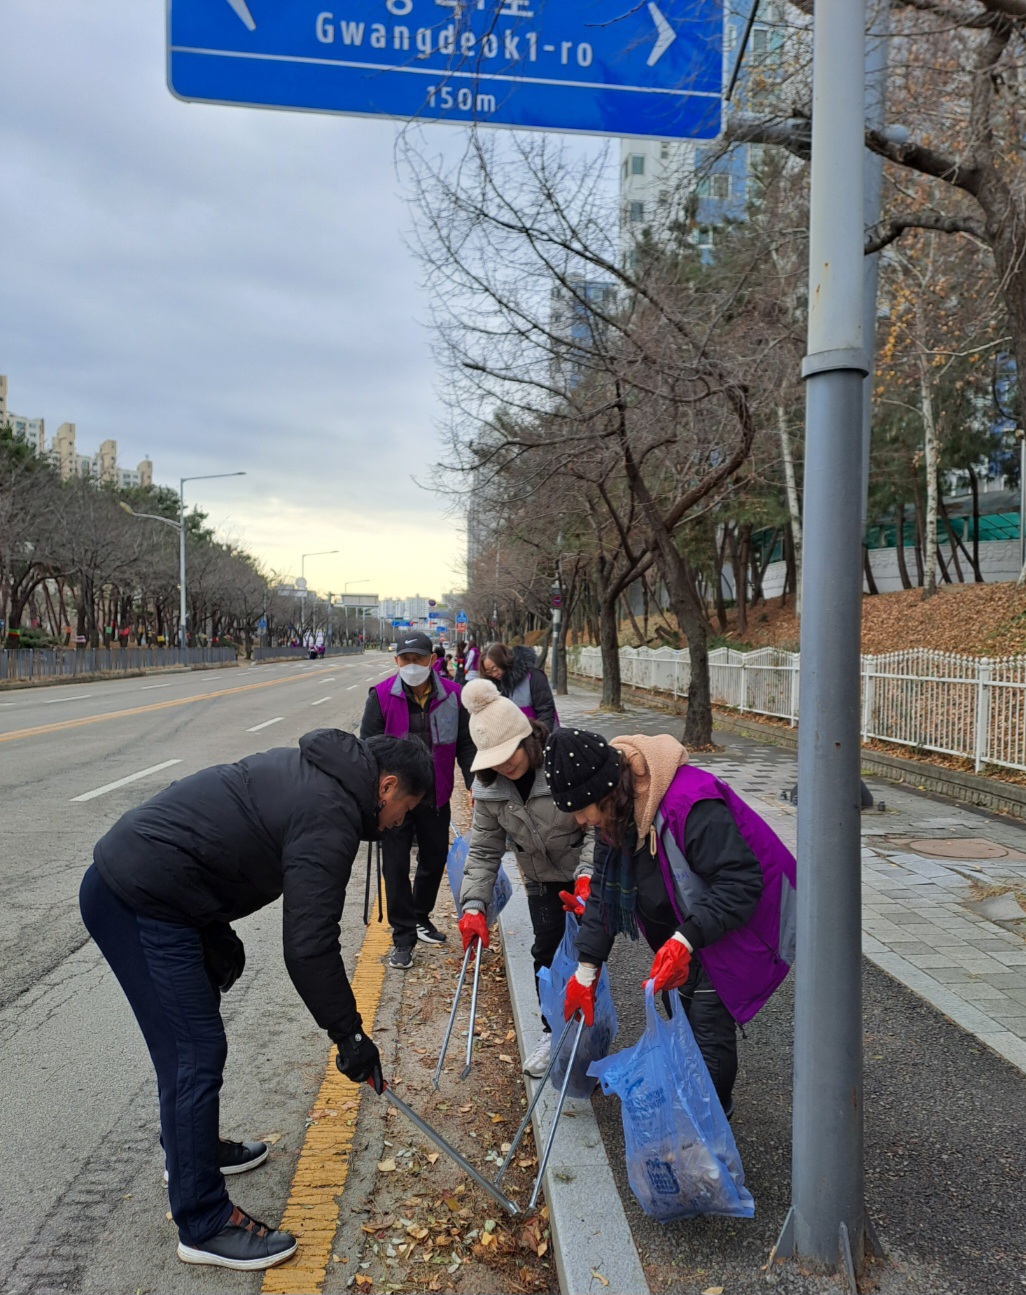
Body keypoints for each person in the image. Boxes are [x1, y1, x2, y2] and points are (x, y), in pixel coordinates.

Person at [79, 731, 433, 1272]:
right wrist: (350, 1035)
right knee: (193, 1051)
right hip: (138, 897)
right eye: (402, 811)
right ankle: (202, 1222)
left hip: (159, 887)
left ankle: (191, 1154)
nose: (397, 825)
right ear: (386, 787)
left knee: (194, 1038)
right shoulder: (331, 811)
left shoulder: (323, 776)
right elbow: (309, 945)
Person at [544, 728, 796, 1118]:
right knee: (680, 1011)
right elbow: (601, 890)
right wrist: (586, 969)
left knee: (707, 1027)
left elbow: (741, 882)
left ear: (607, 789)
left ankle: (710, 1130)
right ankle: (692, 1111)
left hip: (735, 924)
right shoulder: (618, 814)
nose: (580, 820)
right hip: (688, 926)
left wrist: (685, 939)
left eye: (582, 808)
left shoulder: (688, 804)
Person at [457, 680, 593, 1076]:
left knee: (589, 954)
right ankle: (553, 1033)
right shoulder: (489, 790)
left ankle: (592, 1033)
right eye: (493, 758)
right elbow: (483, 850)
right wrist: (473, 905)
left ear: (526, 737)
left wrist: (587, 878)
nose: (504, 764)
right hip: (542, 879)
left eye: (509, 752)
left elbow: (599, 827)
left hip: (587, 874)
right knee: (546, 955)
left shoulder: (563, 761)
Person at [360, 631, 476, 969]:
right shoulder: (380, 696)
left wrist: (473, 784)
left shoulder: (455, 696)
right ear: (396, 661)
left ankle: (420, 914)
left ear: (432, 660)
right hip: (393, 799)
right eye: (405, 659)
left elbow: (466, 745)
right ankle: (402, 937)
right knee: (394, 867)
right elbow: (367, 747)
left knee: (434, 857)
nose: (412, 666)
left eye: (419, 659)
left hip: (435, 794)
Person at [481, 641, 557, 732]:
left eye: (494, 669)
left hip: (536, 738)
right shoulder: (493, 686)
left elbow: (546, 711)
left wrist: (539, 738)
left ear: (503, 661)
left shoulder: (534, 677)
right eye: (489, 672)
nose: (494, 674)